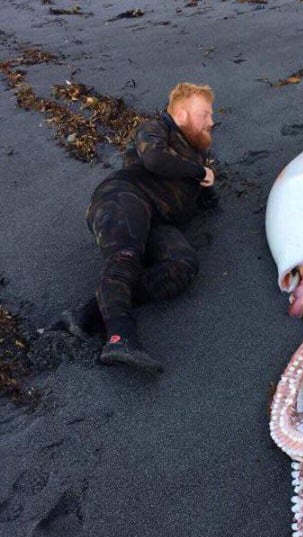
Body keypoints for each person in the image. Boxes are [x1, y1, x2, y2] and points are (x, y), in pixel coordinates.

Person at [57, 82, 218, 373]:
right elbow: (156, 159)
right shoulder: (155, 128)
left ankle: (87, 313)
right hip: (124, 197)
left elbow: (197, 196)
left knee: (183, 264)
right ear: (181, 113)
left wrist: (207, 187)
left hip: (159, 219)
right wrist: (199, 172)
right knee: (125, 257)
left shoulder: (197, 155)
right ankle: (121, 336)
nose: (211, 121)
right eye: (204, 114)